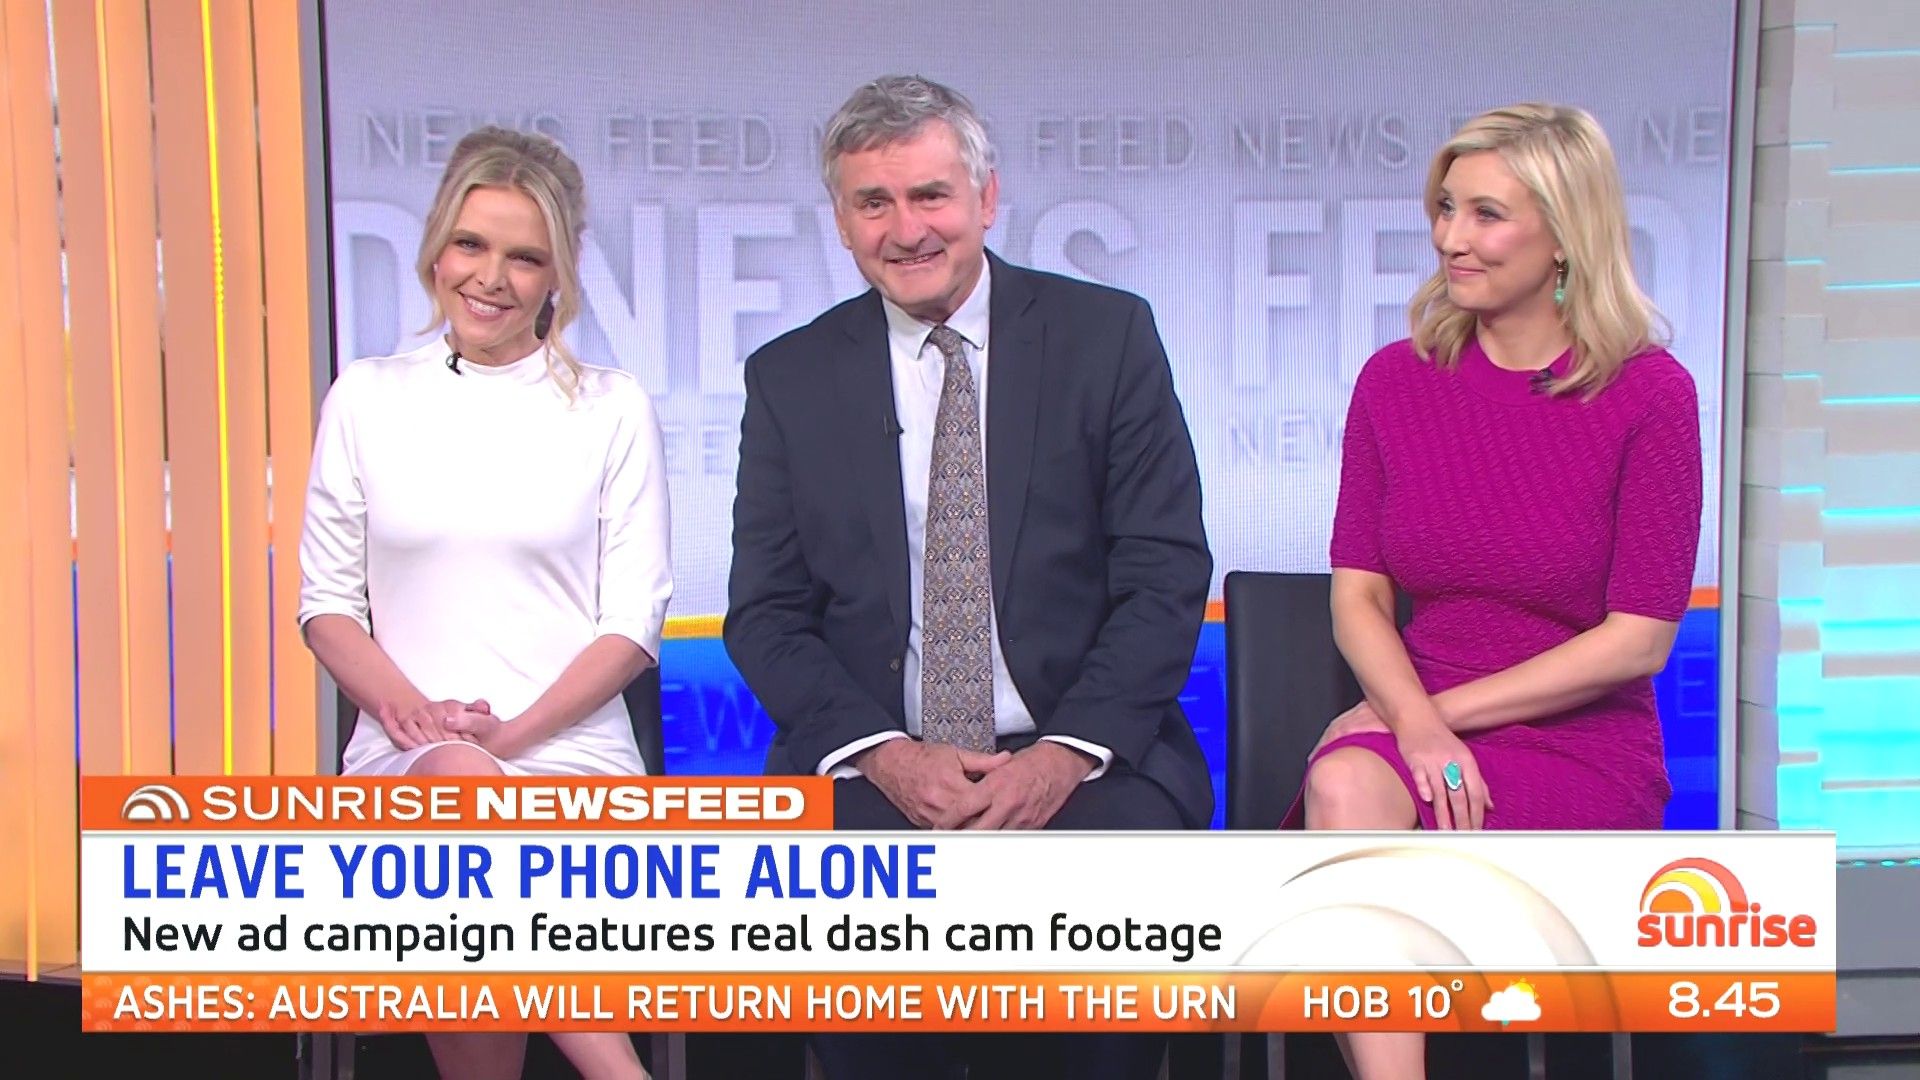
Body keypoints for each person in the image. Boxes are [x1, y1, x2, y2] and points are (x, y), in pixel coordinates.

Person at [723, 75, 1212, 1080]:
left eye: (930, 196)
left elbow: (1163, 573)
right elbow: (767, 614)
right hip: (875, 769)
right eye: (874, 203)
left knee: (1098, 1007)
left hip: (1086, 762)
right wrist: (887, 756)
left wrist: (1062, 757)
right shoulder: (789, 376)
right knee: (865, 995)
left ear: (987, 199)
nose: (906, 230)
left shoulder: (1106, 337)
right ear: (842, 222)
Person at [1282, 103, 1704, 1078]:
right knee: (1344, 786)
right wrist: (1412, 722)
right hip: (1413, 716)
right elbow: (1359, 597)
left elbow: (1638, 639)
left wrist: (1434, 722)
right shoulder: (1396, 381)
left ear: (1564, 236)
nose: (1450, 239)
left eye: (1485, 215)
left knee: (1357, 822)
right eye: (1445, 208)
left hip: (1577, 743)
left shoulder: (1650, 395)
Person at [297, 125, 667, 1080]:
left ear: (558, 275)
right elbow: (327, 604)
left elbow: (631, 625)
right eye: (471, 245)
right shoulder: (366, 397)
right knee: (456, 799)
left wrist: (510, 737)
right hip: (403, 755)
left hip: (573, 756)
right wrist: (418, 718)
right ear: (436, 248)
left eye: (524, 257)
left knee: (468, 829)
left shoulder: (611, 407)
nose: (491, 278)